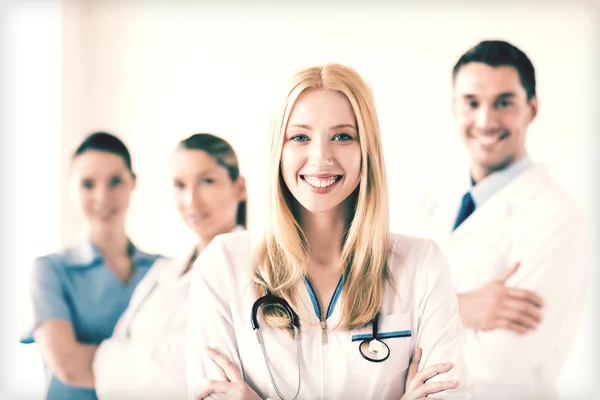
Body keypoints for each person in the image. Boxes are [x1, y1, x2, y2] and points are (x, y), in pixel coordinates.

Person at [186, 63, 471, 400]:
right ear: (278, 150)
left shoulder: (422, 265)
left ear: (367, 150)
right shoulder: (223, 266)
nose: (320, 157)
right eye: (300, 137)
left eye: (342, 136)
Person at [399, 40, 587, 399]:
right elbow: (378, 314)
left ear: (531, 109)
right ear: (455, 107)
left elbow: (502, 361)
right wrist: (463, 306)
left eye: (504, 102)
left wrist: (416, 315)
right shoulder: (429, 199)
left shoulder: (557, 217)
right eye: (472, 103)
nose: (486, 120)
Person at [91, 133, 247, 399]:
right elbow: (102, 363)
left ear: (239, 188)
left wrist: (132, 358)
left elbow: (194, 377)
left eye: (207, 181)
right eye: (180, 185)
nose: (191, 201)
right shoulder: (162, 271)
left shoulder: (252, 273)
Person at [20, 132, 161, 400]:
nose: (102, 196)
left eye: (115, 181)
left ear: (133, 183)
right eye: (87, 184)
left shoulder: (164, 271)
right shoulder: (49, 271)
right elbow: (69, 366)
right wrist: (158, 367)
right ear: (71, 188)